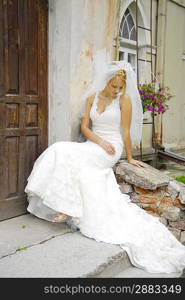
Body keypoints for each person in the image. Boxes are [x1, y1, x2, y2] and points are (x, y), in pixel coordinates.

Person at [24, 57, 185, 275]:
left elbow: (126, 131)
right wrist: (98, 141)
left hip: (112, 147)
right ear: (106, 81)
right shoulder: (92, 97)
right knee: (59, 149)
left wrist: (129, 157)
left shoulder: (124, 100)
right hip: (95, 142)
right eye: (114, 86)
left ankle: (66, 209)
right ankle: (66, 206)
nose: (117, 90)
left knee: (75, 159)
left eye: (121, 87)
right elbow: (84, 126)